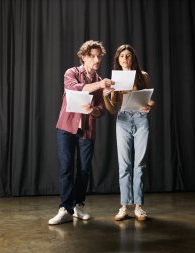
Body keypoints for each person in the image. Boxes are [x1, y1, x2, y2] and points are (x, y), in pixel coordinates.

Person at [49, 40, 114, 225]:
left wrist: (95, 110)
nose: (96, 59)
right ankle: (65, 208)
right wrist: (101, 85)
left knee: (84, 170)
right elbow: (74, 88)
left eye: (99, 56)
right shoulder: (71, 73)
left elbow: (101, 108)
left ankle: (78, 205)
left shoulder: (100, 81)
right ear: (83, 57)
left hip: (87, 130)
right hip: (66, 127)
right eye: (92, 56)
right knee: (66, 167)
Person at [103, 44, 155, 221]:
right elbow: (112, 109)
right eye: (122, 56)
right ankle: (124, 206)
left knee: (139, 163)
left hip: (141, 119)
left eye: (128, 56)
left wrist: (149, 106)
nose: (125, 59)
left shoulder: (143, 76)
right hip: (123, 119)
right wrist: (104, 95)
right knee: (124, 164)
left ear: (133, 58)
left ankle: (139, 206)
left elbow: (151, 101)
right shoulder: (115, 79)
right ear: (118, 59)